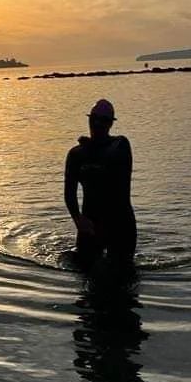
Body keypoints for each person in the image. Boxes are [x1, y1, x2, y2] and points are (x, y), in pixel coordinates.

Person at [64, 99, 136, 267]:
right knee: (85, 274)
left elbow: (108, 155)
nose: (97, 123)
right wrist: (77, 218)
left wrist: (90, 146)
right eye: (94, 118)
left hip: (120, 223)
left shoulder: (121, 145)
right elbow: (69, 192)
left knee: (123, 276)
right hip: (90, 222)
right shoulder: (76, 154)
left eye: (103, 120)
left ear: (110, 124)